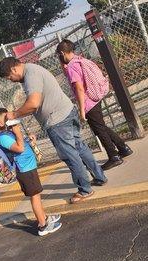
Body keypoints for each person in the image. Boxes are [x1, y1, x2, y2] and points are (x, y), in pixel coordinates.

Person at [0, 57, 107, 204]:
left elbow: (33, 103)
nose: (11, 80)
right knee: (80, 147)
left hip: (57, 121)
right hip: (66, 112)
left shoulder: (31, 75)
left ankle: (85, 189)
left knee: (70, 155)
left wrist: (15, 114)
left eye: (9, 77)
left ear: (13, 69)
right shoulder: (33, 70)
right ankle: (99, 176)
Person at [56, 39, 133, 171]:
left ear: (62, 53)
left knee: (99, 129)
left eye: (58, 55)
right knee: (101, 126)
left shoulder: (72, 67)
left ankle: (113, 156)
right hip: (95, 97)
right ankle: (123, 148)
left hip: (88, 102)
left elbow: (79, 89)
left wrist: (81, 110)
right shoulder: (79, 60)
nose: (59, 58)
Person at [0, 108, 62, 236]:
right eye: (7, 118)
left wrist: (30, 141)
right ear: (1, 123)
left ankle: (44, 217)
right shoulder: (3, 138)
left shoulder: (8, 133)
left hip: (28, 167)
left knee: (37, 195)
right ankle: (43, 225)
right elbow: (19, 148)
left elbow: (21, 145)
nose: (11, 119)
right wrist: (17, 131)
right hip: (24, 170)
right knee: (35, 197)